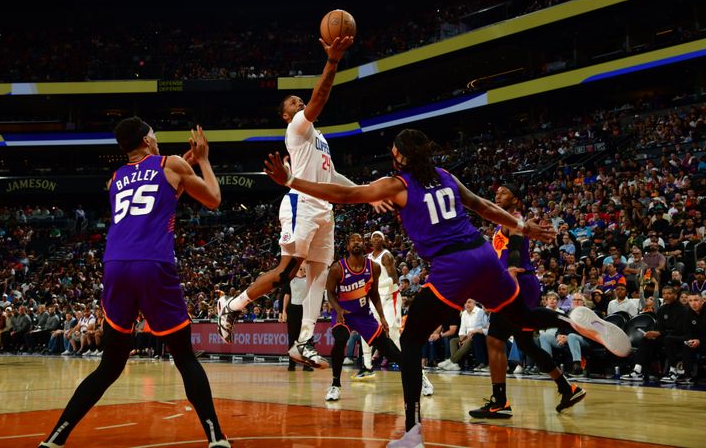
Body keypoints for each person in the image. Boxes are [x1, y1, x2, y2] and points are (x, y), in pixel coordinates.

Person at [263, 128, 631, 448]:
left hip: (453, 267)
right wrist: (522, 226)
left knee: (410, 340)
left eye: (394, 151)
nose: (392, 155)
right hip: (483, 255)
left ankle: (411, 431)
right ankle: (575, 322)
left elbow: (345, 195)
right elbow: (484, 206)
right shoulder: (445, 176)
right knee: (523, 317)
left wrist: (291, 181)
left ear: (402, 156)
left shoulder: (398, 184)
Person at [38, 119, 229, 448]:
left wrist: (187, 162)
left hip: (115, 266)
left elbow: (157, 183)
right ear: (145, 138)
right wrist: (205, 159)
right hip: (152, 262)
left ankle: (55, 439)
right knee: (185, 358)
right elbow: (212, 198)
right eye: (154, 134)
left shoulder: (114, 179)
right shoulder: (171, 164)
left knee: (110, 366)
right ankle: (216, 438)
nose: (157, 139)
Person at [217, 35, 373, 369]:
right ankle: (233, 306)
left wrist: (366, 192)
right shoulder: (299, 129)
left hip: (324, 209)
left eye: (299, 100)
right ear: (286, 116)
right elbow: (319, 97)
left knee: (319, 276)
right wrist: (332, 61)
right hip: (301, 203)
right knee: (286, 273)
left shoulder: (319, 138)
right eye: (292, 103)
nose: (298, 103)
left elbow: (332, 179)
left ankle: (303, 342)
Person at [467, 184, 582, 420]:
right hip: (519, 282)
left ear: (516, 200)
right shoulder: (503, 223)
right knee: (526, 343)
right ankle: (567, 388)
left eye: (504, 192)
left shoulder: (515, 219)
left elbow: (517, 245)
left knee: (495, 339)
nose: (498, 194)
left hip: (518, 281)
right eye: (497, 192)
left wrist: (511, 268)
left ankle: (500, 402)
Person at [324, 233, 432, 401]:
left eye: (359, 240)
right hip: (343, 313)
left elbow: (374, 294)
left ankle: (420, 377)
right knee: (341, 339)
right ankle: (335, 385)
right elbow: (329, 292)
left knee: (390, 347)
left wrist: (381, 317)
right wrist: (337, 309)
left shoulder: (373, 266)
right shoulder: (338, 268)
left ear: (363, 244)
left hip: (365, 314)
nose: (356, 242)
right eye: (352, 240)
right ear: (347, 247)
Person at [354, 230, 402, 380]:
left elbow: (394, 279)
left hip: (389, 298)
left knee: (392, 334)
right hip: (374, 300)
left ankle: (407, 364)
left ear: (383, 240)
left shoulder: (386, 256)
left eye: (378, 237)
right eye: (373, 237)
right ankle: (367, 366)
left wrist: (376, 286)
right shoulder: (367, 258)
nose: (375, 239)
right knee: (365, 331)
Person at [280, 264, 313, 372]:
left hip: (306, 309)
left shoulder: (309, 279)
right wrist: (283, 311)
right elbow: (286, 295)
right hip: (293, 310)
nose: (302, 267)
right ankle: (292, 364)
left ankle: (306, 364)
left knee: (306, 337)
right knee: (292, 337)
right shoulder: (290, 279)